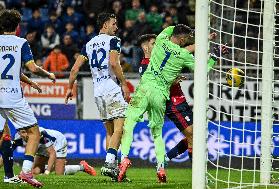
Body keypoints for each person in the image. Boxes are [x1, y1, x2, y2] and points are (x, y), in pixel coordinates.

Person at [118, 25, 219, 183]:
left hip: (144, 89)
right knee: (157, 133)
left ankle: (123, 158)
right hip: (161, 95)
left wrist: (193, 34)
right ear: (183, 39)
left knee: (128, 125)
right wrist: (214, 56)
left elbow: (171, 30)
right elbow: (202, 70)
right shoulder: (184, 54)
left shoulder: (160, 40)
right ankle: (160, 167)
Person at [65, 13, 129, 180]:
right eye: (114, 24)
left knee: (110, 131)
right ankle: (109, 164)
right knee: (119, 129)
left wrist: (69, 88)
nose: (117, 27)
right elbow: (114, 63)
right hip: (111, 88)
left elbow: (74, 69)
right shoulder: (113, 41)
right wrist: (123, 83)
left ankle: (112, 169)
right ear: (105, 25)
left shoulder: (89, 44)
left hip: (98, 92)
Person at [0, 9, 56, 188]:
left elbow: (10, 69)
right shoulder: (21, 43)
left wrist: (29, 82)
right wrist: (47, 74)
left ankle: (13, 175)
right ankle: (26, 171)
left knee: (3, 135)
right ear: (17, 27)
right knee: (34, 133)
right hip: (12, 97)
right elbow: (31, 67)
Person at [0, 75, 42, 184]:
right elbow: (27, 69)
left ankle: (9, 176)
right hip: (5, 96)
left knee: (5, 135)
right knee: (4, 135)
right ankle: (9, 176)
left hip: (3, 96)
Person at [13, 127, 96, 176]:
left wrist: (47, 172)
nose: (25, 135)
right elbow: (7, 153)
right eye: (22, 132)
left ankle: (82, 167)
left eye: (26, 132)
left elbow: (52, 153)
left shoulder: (40, 135)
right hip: (42, 147)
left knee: (59, 173)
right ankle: (58, 164)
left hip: (58, 141)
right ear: (19, 132)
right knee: (35, 171)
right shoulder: (17, 138)